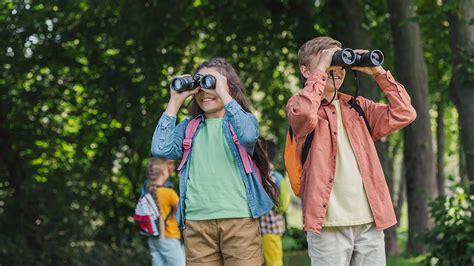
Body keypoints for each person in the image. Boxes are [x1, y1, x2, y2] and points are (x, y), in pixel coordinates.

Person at [286, 36, 417, 265]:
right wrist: (322, 70)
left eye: (339, 61)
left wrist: (378, 72)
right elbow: (306, 113)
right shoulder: (299, 105)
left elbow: (405, 112)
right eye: (328, 61)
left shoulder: (357, 106)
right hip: (327, 225)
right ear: (306, 71)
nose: (336, 68)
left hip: (369, 222)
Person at [151, 57, 278, 266]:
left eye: (211, 82)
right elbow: (160, 148)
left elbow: (247, 135)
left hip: (239, 219)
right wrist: (175, 100)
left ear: (229, 87)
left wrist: (223, 92)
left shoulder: (241, 123)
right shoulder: (188, 128)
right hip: (197, 222)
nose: (205, 91)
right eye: (199, 84)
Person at [145, 157, 185, 266]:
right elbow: (182, 213)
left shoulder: (147, 192)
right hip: (169, 237)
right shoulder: (169, 193)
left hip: (153, 238)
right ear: (163, 173)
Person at [259, 140, 291, 266]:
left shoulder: (262, 176)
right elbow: (283, 205)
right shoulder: (277, 177)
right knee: (274, 262)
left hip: (264, 230)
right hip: (272, 229)